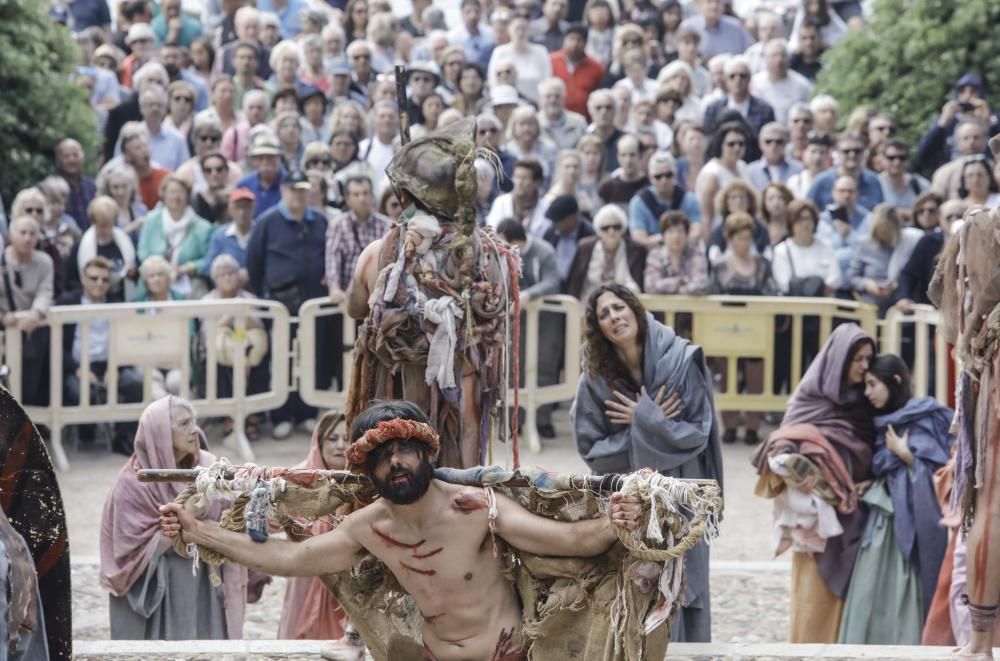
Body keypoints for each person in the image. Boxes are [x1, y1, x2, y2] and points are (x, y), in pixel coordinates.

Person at [160, 399, 645, 660]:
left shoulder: (475, 507)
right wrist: (199, 532)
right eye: (382, 456)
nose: (396, 462)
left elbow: (570, 541)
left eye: (404, 450)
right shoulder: (368, 528)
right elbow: (291, 559)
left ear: (426, 453)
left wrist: (615, 521)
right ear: (367, 471)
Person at [570, 284, 722, 641]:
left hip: (682, 492)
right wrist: (652, 424)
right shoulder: (595, 380)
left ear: (635, 309)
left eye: (619, 307)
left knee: (685, 581)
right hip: (633, 498)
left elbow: (697, 433)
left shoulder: (681, 361)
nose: (614, 317)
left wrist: (642, 418)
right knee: (637, 586)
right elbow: (592, 449)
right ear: (598, 328)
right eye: (604, 314)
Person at [752, 323, 876, 643]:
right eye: (857, 359)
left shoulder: (867, 401)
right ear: (838, 359)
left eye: (868, 359)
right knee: (813, 600)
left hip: (857, 513)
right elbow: (783, 441)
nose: (864, 367)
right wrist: (796, 469)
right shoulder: (811, 398)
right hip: (817, 520)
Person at [101, 397, 256, 639]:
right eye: (184, 424)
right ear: (159, 434)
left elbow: (233, 518)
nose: (194, 429)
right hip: (164, 586)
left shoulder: (209, 468)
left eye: (194, 421)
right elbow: (128, 554)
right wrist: (184, 521)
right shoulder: (133, 483)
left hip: (207, 580)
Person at [837, 355, 953, 644]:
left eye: (873, 384)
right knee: (870, 590)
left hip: (909, 523)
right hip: (884, 522)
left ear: (896, 381)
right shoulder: (883, 423)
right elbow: (887, 470)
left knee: (903, 589)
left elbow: (939, 473)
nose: (868, 392)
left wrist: (906, 456)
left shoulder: (923, 416)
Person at [246, 171, 327, 439]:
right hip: (279, 305)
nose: (298, 195)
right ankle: (281, 414)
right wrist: (264, 298)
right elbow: (254, 264)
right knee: (281, 360)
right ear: (283, 191)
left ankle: (306, 413)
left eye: (303, 190)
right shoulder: (267, 222)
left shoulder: (320, 222)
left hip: (313, 304)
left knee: (312, 358)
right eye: (293, 189)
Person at [276, 410, 351, 639]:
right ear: (319, 442)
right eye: (332, 438)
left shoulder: (365, 482)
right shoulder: (298, 478)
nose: (340, 445)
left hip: (350, 583)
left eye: (347, 439)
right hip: (306, 577)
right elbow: (268, 522)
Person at [61, 256, 144, 453]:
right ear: (83, 278)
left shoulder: (116, 303)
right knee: (80, 392)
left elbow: (126, 342)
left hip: (109, 363)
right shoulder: (67, 302)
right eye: (94, 278)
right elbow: (57, 347)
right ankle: (86, 435)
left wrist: (115, 366)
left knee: (135, 383)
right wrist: (77, 369)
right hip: (77, 365)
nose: (99, 283)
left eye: (105, 280)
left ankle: (123, 438)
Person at [710, 213, 776, 446]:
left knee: (756, 379)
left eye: (748, 238)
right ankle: (728, 426)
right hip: (726, 330)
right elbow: (712, 295)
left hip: (756, 330)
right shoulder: (719, 266)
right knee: (728, 378)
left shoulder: (762, 265)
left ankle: (752, 426)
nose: (744, 243)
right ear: (729, 239)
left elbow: (772, 292)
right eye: (739, 238)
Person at [497, 219, 562, 439]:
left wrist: (528, 294)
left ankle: (543, 420)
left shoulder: (544, 251)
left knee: (545, 366)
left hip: (545, 320)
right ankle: (513, 421)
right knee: (514, 368)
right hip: (516, 319)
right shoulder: (502, 254)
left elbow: (553, 281)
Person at [1, 216, 53, 407]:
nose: (27, 238)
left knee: (30, 383)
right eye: (22, 233)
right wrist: (3, 317)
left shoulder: (45, 262)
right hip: (4, 331)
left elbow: (46, 291)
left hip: (33, 330)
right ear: (11, 235)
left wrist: (36, 313)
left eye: (32, 233)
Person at [137, 176, 214, 299]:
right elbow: (143, 251)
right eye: (172, 192)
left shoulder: (203, 227)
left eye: (180, 192)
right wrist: (159, 269)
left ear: (188, 196)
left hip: (189, 282)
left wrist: (186, 268)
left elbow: (208, 259)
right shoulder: (151, 220)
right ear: (164, 195)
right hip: (154, 280)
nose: (176, 197)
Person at [846, 204, 922, 317]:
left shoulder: (907, 243)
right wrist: (867, 284)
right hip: (871, 304)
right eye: (881, 232)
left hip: (898, 302)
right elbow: (851, 277)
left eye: (888, 232)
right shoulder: (864, 244)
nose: (884, 237)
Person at [325, 176, 390, 306]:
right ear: (348, 199)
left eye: (365, 193)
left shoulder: (386, 225)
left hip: (376, 298)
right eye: (356, 194)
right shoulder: (337, 224)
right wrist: (334, 288)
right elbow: (333, 257)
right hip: (345, 300)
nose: (362, 198)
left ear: (372, 195)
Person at [65, 196, 137, 304]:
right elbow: (71, 281)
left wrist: (133, 273)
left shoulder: (125, 243)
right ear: (93, 222)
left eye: (109, 224)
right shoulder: (80, 247)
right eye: (101, 225)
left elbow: (136, 272)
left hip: (120, 300)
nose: (105, 229)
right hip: (91, 302)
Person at [702, 56, 776, 161]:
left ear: (750, 78)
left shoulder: (765, 109)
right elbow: (709, 141)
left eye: (742, 76)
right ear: (726, 80)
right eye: (732, 76)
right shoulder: (713, 109)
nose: (738, 80)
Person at [566, 205, 645, 301]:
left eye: (616, 227)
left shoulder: (636, 249)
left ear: (623, 229)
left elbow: (639, 284)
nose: (611, 232)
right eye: (605, 228)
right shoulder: (585, 248)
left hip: (624, 302)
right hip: (588, 303)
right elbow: (574, 284)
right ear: (598, 231)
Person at [628, 150, 701, 248]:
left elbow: (696, 231)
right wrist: (665, 241)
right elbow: (638, 237)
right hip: (651, 255)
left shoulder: (689, 199)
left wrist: (676, 242)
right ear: (650, 178)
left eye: (668, 175)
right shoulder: (639, 203)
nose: (664, 180)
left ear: (675, 175)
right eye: (658, 176)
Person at [771, 200, 841, 296]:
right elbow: (783, 283)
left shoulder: (826, 247)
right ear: (791, 223)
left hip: (822, 302)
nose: (805, 224)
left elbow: (835, 278)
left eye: (808, 218)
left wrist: (818, 288)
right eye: (799, 219)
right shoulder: (781, 250)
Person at [695, 121, 750, 238]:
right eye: (731, 144)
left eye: (741, 144)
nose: (737, 148)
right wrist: (709, 245)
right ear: (721, 145)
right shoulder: (712, 174)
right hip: (721, 235)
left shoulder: (743, 166)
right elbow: (706, 217)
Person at [807, 131, 886, 212]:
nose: (852, 155)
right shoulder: (821, 182)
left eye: (857, 151)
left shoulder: (873, 181)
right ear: (837, 153)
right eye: (846, 151)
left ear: (864, 153)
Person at [643, 211, 710, 295]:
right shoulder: (655, 255)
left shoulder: (697, 254)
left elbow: (701, 285)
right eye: (671, 232)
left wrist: (671, 289)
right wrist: (680, 281)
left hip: (690, 306)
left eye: (680, 231)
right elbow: (650, 286)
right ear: (663, 235)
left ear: (687, 235)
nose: (676, 236)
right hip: (661, 307)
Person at [488, 16, 552, 104]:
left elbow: (547, 81)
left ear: (529, 30)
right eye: (517, 28)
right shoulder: (499, 52)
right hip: (505, 103)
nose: (520, 33)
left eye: (524, 29)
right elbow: (493, 82)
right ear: (509, 29)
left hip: (535, 103)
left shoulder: (541, 51)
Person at [750, 39, 813, 125]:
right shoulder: (755, 82)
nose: (779, 60)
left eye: (783, 55)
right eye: (774, 56)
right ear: (766, 59)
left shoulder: (802, 85)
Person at [550, 23, 604, 119]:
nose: (574, 44)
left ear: (586, 43)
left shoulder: (596, 68)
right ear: (564, 40)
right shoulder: (550, 62)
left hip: (584, 119)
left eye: (579, 40)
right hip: (554, 117)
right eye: (571, 39)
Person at [486, 159, 551, 237]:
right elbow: (492, 232)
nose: (519, 183)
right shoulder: (501, 203)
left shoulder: (545, 209)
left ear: (537, 182)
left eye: (524, 178)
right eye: (517, 177)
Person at [678, 0, 752, 59]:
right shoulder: (688, 26)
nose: (714, 6)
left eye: (718, 2)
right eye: (709, 2)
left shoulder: (736, 27)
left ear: (723, 5)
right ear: (699, 5)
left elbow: (750, 52)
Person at [235, 134, 284, 218]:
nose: (265, 162)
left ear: (279, 158)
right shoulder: (244, 185)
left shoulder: (289, 184)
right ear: (253, 161)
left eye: (270, 157)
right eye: (260, 158)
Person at [746, 122, 805, 193]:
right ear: (760, 144)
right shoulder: (750, 171)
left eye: (779, 142)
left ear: (786, 144)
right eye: (768, 141)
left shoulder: (799, 169)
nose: (773, 145)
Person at [55, 138, 97, 231]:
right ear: (59, 160)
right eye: (66, 156)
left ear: (82, 158)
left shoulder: (91, 186)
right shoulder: (54, 188)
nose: (71, 160)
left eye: (75, 155)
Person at [597, 134, 648, 206]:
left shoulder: (649, 186)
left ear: (640, 155)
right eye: (623, 155)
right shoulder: (607, 189)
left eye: (632, 155)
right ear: (618, 157)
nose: (628, 160)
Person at [788, 131, 832, 199]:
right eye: (813, 151)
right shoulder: (795, 182)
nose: (817, 157)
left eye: (822, 152)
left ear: (829, 156)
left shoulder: (835, 181)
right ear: (804, 154)